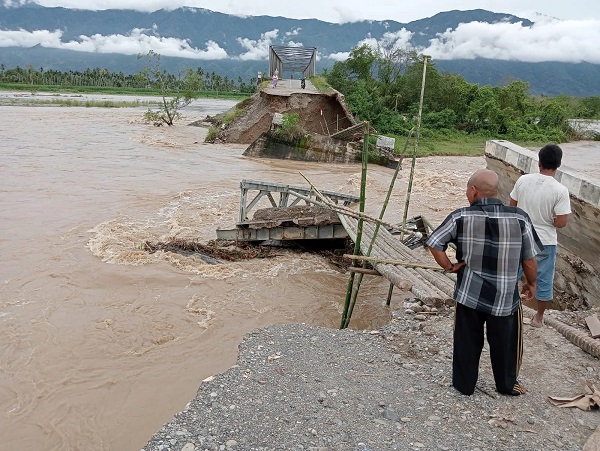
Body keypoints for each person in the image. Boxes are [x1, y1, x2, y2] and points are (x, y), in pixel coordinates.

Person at [426, 169, 542, 396]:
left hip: (470, 294)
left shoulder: (460, 217)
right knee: (506, 345)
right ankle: (507, 385)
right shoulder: (519, 218)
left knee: (467, 341)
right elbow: (529, 258)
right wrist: (532, 283)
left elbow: (435, 243)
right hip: (505, 298)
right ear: (496, 191)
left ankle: (464, 385)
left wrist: (449, 266)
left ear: (473, 190)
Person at [510, 144, 571, 327]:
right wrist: (549, 219)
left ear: (539, 162)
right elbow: (561, 222)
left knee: (512, 275)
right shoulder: (560, 190)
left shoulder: (523, 180)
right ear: (558, 164)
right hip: (545, 241)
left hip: (521, 237)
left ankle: (507, 311)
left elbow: (512, 208)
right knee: (543, 279)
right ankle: (538, 318)